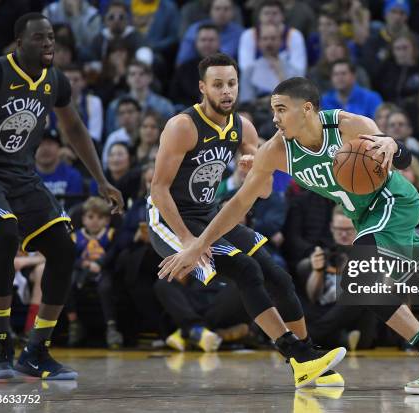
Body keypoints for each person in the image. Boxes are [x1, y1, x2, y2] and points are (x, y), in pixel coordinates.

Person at [161, 76, 419, 394]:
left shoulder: (350, 126)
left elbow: (400, 156)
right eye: (272, 111)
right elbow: (236, 206)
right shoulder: (276, 151)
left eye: (281, 109)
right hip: (366, 217)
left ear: (308, 109)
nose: (275, 118)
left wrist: (394, 144)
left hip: (394, 203)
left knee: (360, 274)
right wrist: (197, 243)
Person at [148, 53, 346, 388]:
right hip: (170, 222)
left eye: (232, 84)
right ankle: (297, 355)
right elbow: (158, 189)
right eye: (218, 85)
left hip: (208, 216)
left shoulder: (244, 127)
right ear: (202, 88)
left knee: (279, 278)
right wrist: (187, 241)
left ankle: (307, 359)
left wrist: (251, 171)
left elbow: (265, 190)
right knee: (246, 270)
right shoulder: (182, 126)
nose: (226, 91)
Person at [0, 13, 123, 380]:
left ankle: (36, 351)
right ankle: (1, 347)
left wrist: (101, 180)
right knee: (6, 233)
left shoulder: (54, 80)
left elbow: (73, 126)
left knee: (61, 246)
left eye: (51, 38)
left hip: (22, 175)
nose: (48, 44)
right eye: (39, 38)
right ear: (19, 42)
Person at [298, 205, 377, 351]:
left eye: (349, 230)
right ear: (331, 228)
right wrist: (317, 271)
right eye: (339, 230)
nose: (344, 235)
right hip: (329, 314)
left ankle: (307, 337)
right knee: (298, 280)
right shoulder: (325, 253)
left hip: (357, 319)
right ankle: (341, 339)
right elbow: (313, 297)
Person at [67, 197, 122, 349]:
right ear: (83, 219)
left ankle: (111, 327)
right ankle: (74, 322)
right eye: (90, 217)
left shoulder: (111, 234)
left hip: (103, 270)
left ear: (107, 220)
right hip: (80, 271)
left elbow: (114, 253)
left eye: (100, 217)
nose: (95, 221)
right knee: (66, 285)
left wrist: (100, 263)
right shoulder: (75, 236)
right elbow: (70, 256)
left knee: (106, 288)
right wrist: (82, 263)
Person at [35, 129, 84, 210]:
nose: (45, 148)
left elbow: (75, 210)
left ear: (60, 148)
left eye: (50, 144)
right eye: (40, 144)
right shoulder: (24, 175)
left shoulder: (73, 176)